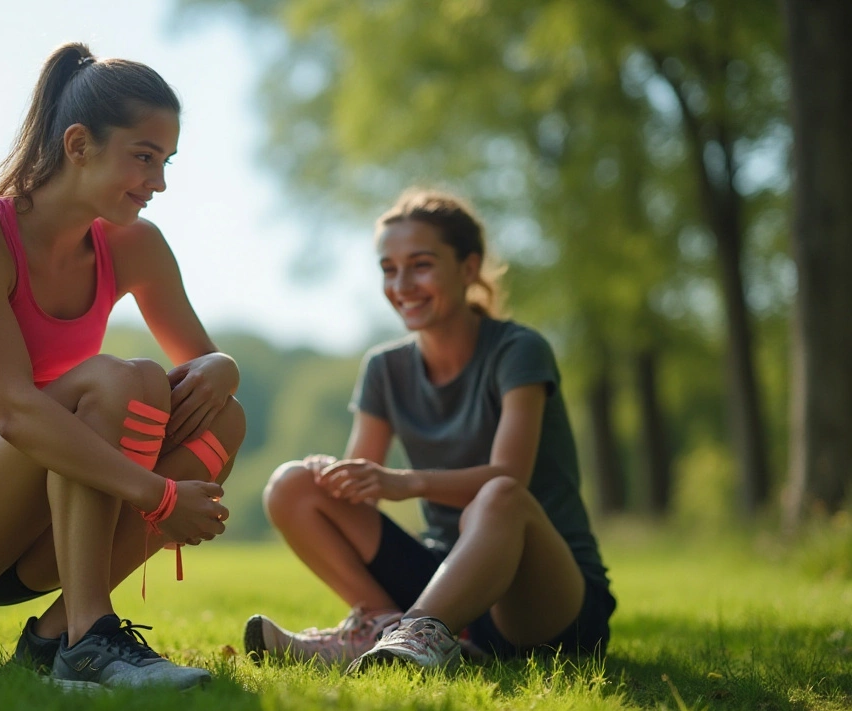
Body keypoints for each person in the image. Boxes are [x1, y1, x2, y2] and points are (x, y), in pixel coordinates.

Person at [0, 42, 245, 692]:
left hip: (34, 541)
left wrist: (223, 365)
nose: (160, 181)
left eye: (166, 161)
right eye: (144, 157)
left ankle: (56, 637)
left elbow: (201, 363)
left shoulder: (134, 246)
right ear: (78, 144)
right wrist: (156, 495)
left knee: (219, 421)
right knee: (121, 379)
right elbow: (16, 413)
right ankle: (92, 638)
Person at [244, 188, 614, 672]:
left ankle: (416, 633)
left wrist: (407, 482)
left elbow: (512, 475)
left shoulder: (519, 350)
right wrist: (335, 475)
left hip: (546, 598)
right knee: (292, 484)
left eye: (420, 265)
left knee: (499, 495)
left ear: (467, 268)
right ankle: (382, 626)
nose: (402, 285)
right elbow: (362, 495)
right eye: (389, 269)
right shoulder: (384, 368)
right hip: (449, 584)